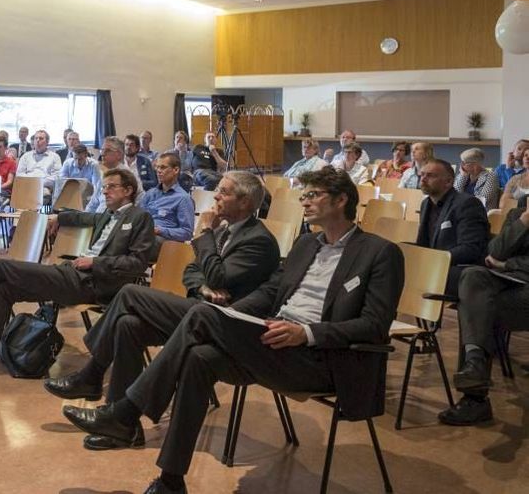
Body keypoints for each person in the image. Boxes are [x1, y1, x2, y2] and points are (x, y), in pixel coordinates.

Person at [62, 167, 404, 493]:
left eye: (313, 194)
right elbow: (273, 291)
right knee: (198, 356)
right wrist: (231, 319)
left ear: (341, 199)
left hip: (320, 357)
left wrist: (308, 333)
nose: (304, 201)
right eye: (303, 195)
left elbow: (374, 325)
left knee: (185, 313)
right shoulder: (306, 244)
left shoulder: (379, 253)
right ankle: (170, 481)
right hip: (271, 339)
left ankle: (122, 411)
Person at [43, 171, 279, 449]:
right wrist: (202, 287)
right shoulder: (223, 230)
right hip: (199, 307)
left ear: (245, 202)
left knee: (130, 292)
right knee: (127, 324)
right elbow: (192, 270)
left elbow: (217, 277)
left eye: (224, 192)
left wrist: (203, 233)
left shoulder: (258, 240)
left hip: (221, 322)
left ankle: (92, 375)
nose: (215, 196)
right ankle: (122, 424)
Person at [0, 168, 155, 383]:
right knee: (2, 290)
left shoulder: (139, 218)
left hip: (93, 283)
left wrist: (96, 262)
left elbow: (136, 263)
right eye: (104, 187)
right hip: (72, 275)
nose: (105, 192)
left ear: (128, 190)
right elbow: (81, 217)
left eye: (111, 187)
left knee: (1, 267)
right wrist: (58, 216)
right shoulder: (107, 215)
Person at [439, 205, 529, 425]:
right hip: (509, 282)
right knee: (472, 276)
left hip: (521, 287)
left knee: (476, 306)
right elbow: (494, 252)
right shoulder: (518, 214)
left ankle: (475, 399)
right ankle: (475, 363)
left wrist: (507, 264)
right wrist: (524, 221)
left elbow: (500, 260)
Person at [416, 158, 490, 294]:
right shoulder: (426, 204)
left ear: (449, 182)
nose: (423, 179)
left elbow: (471, 248)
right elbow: (424, 243)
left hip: (459, 268)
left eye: (430, 175)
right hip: (435, 265)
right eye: (422, 175)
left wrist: (434, 260)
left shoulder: (467, 204)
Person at [139, 152, 195, 242]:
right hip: (144, 235)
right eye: (157, 167)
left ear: (176, 170)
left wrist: (160, 230)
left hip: (163, 242)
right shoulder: (150, 194)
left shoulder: (183, 198)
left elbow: (187, 233)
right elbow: (139, 217)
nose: (158, 171)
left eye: (163, 167)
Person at [86, 136, 128, 213]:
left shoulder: (126, 176)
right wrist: (84, 217)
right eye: (102, 150)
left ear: (119, 154)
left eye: (107, 150)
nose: (102, 153)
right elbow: (93, 202)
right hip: (95, 218)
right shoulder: (104, 174)